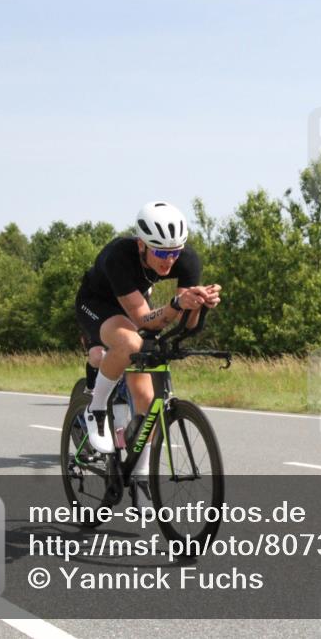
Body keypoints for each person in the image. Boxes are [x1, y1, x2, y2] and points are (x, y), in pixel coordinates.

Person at [74, 201, 221, 476]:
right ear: (141, 245)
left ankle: (140, 477)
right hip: (97, 304)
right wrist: (177, 303)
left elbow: (186, 324)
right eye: (161, 252)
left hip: (135, 303)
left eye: (174, 252)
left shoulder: (187, 260)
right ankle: (96, 409)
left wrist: (200, 306)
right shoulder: (119, 255)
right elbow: (144, 319)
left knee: (146, 397)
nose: (169, 260)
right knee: (129, 343)